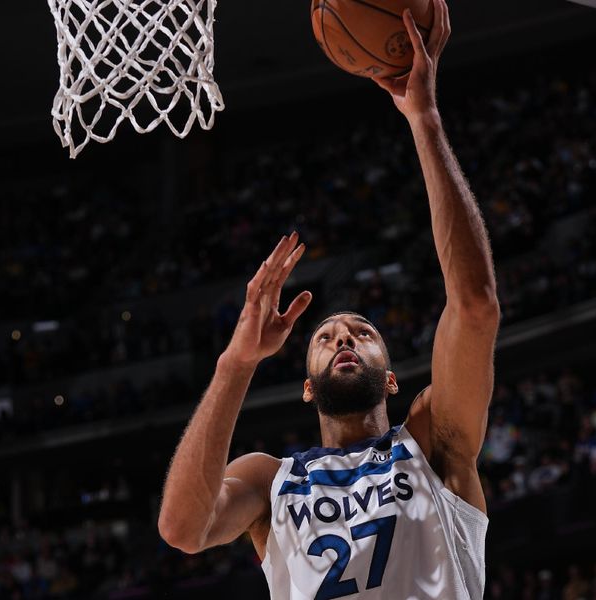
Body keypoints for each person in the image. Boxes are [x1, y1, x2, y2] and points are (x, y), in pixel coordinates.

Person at [158, 1, 500, 597]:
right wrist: (235, 363)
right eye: (326, 337)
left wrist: (424, 119)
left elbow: (474, 307)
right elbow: (184, 530)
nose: (343, 336)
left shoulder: (433, 444)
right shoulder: (270, 481)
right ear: (308, 386)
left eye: (363, 332)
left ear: (392, 379)